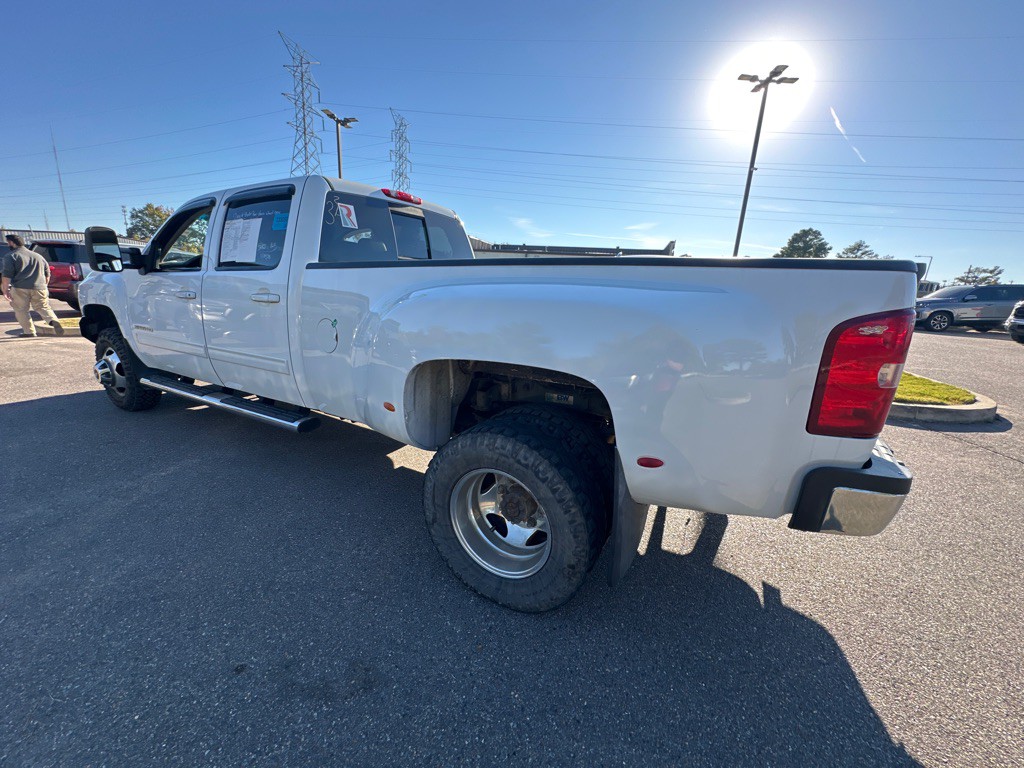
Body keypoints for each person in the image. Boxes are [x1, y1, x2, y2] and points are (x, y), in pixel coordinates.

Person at [2, 234, 64, 337]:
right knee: (43, 307)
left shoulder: (11, 256)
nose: (8, 244)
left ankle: (29, 332)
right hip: (40, 287)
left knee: (21, 309)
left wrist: (5, 290)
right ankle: (53, 321)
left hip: (20, 287)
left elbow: (7, 275)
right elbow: (47, 273)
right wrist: (44, 285)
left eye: (8, 242)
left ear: (12, 243)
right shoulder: (38, 256)